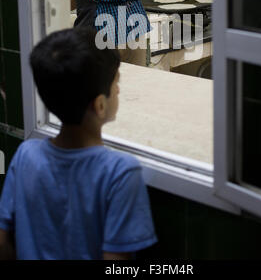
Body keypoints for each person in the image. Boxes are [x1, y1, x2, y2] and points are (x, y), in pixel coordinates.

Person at [0, 28, 157, 260]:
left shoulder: (26, 154)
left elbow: (2, 241)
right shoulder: (120, 172)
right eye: (116, 84)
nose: (118, 89)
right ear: (100, 105)